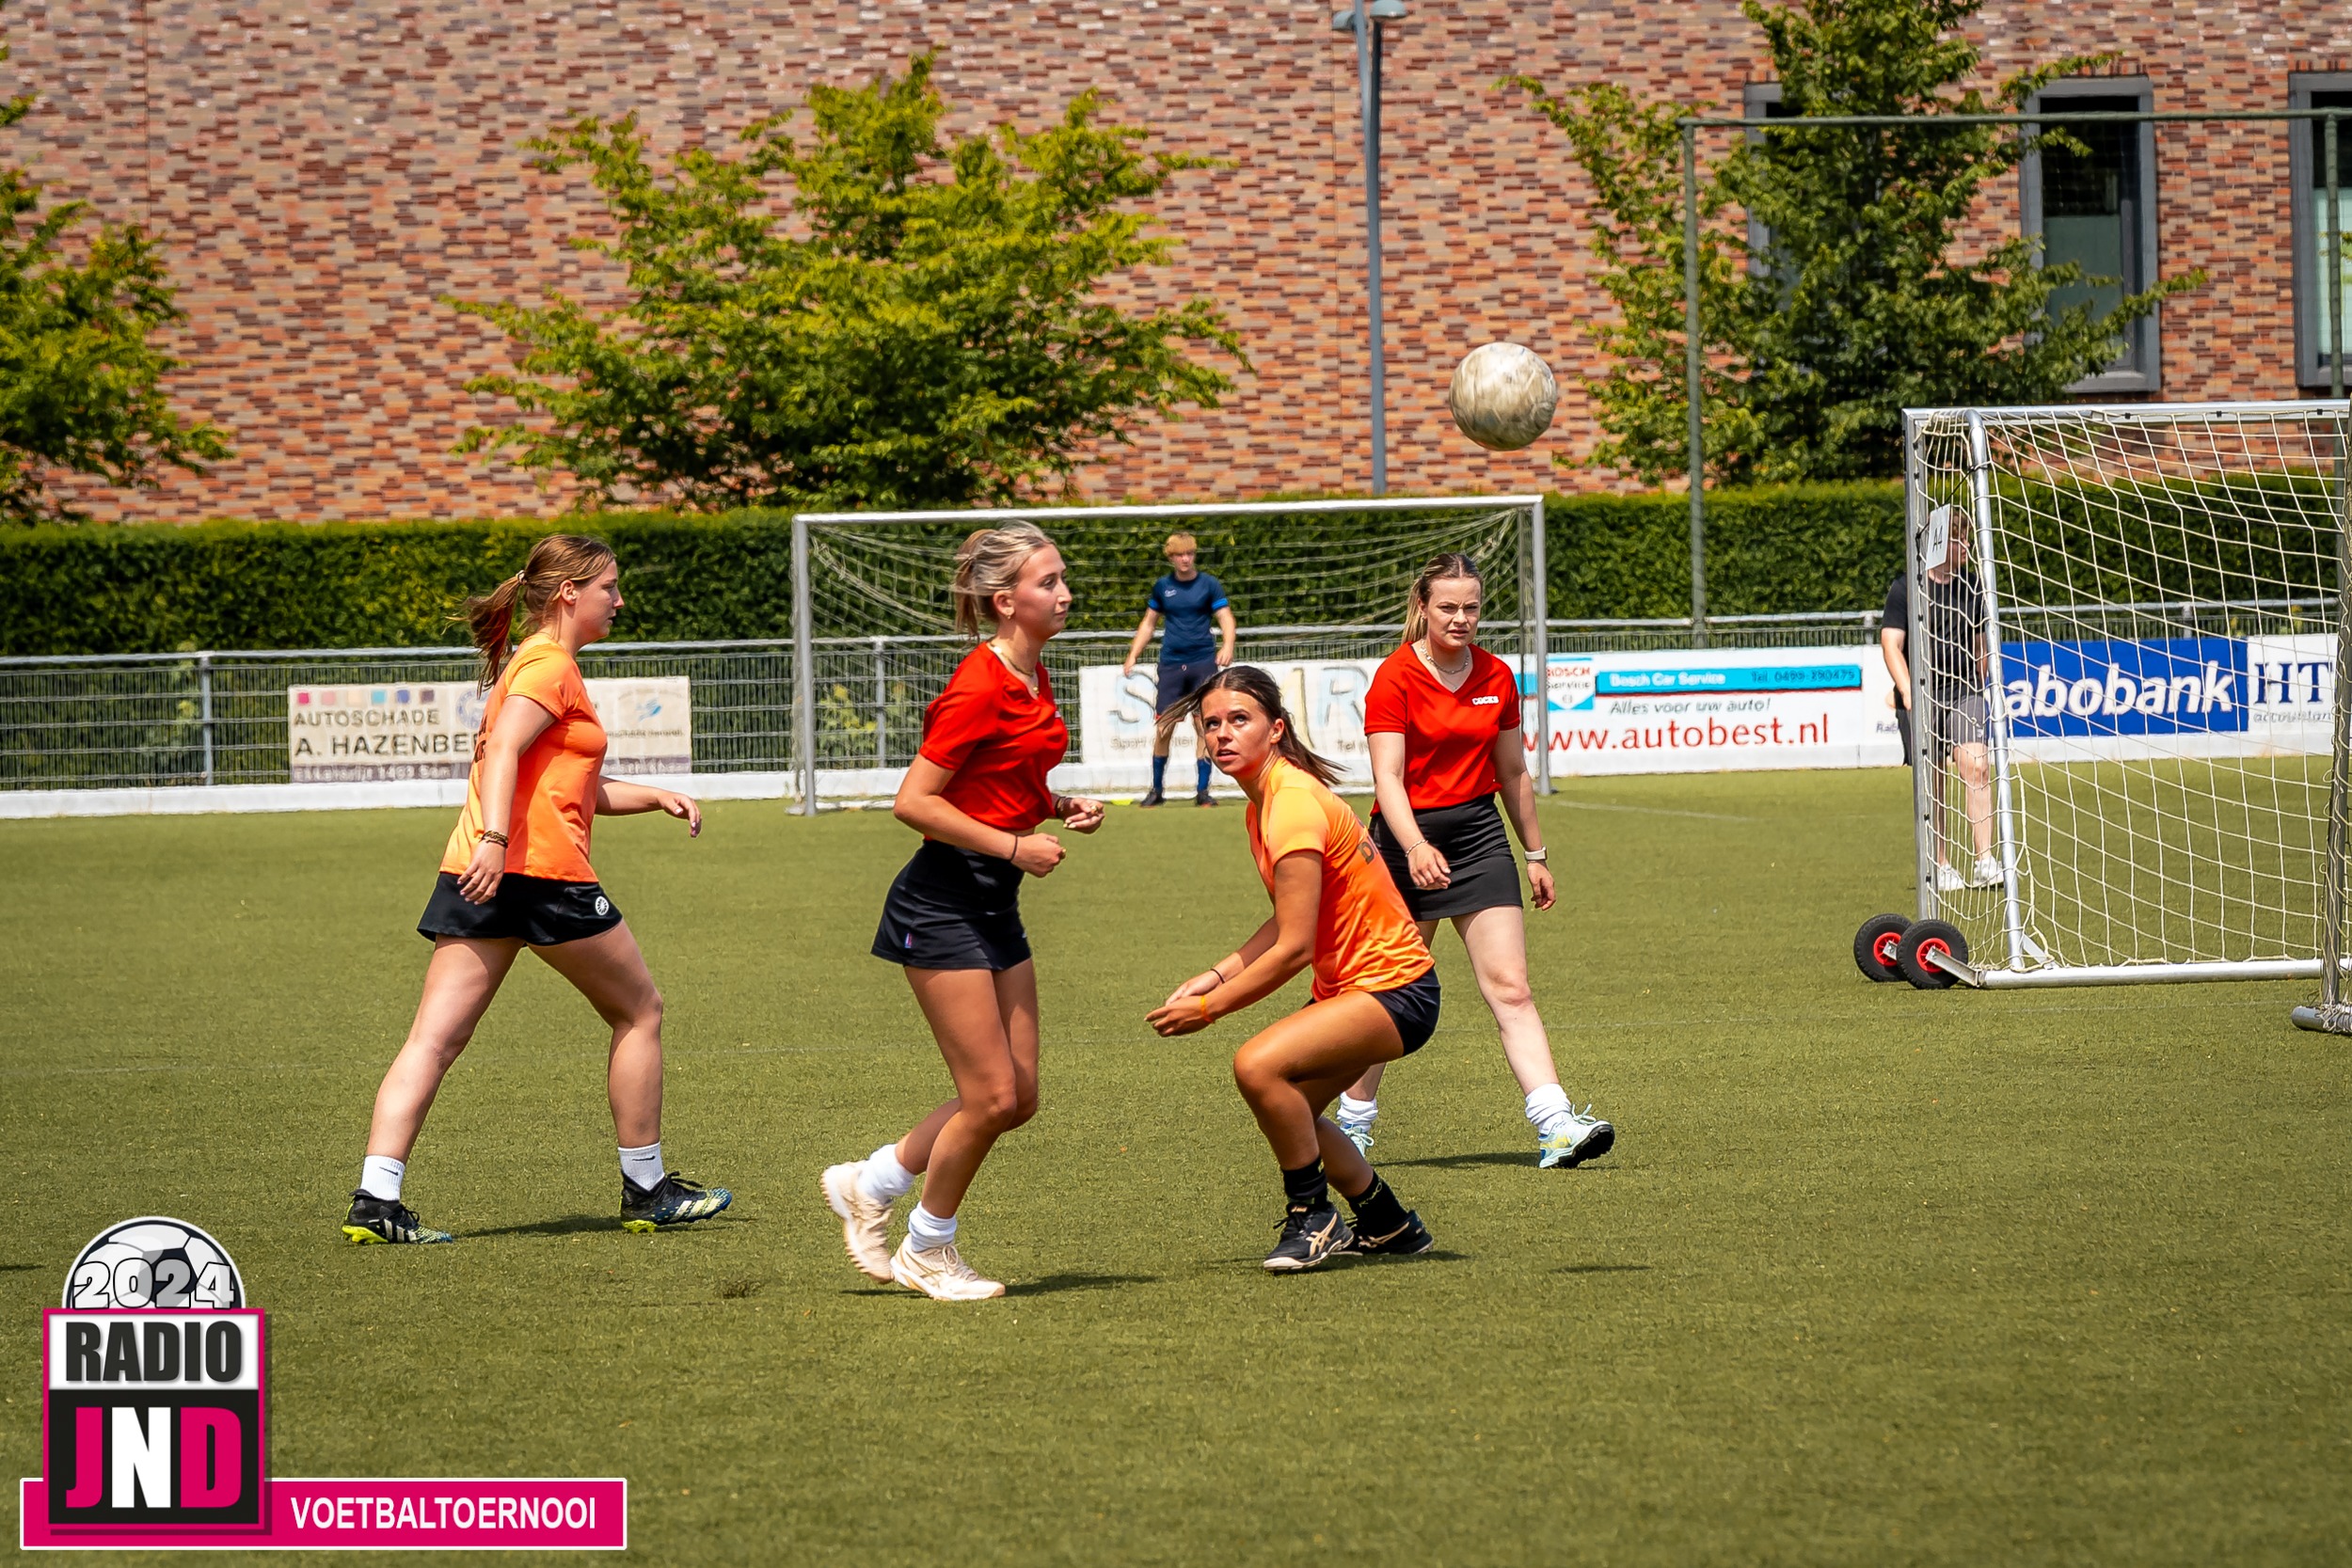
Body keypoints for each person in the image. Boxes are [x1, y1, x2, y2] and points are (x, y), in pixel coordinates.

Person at [342, 534, 730, 1245]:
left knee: (432, 1041)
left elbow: (568, 787)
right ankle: (648, 1189)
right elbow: (505, 752)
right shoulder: (549, 665)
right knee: (640, 1010)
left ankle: (376, 1200)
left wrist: (656, 796)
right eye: (609, 586)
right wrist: (496, 839)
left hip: (480, 874)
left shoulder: (533, 663)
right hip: (538, 875)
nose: (620, 600)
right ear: (569, 593)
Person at [819, 524, 1106, 1301]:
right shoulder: (979, 683)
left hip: (992, 901)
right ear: (1005, 600)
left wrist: (1059, 805)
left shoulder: (1034, 673)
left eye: (1062, 578)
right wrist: (1015, 847)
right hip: (941, 902)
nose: (1065, 593)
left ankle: (871, 1182)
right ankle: (927, 1249)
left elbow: (1003, 779)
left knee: (1018, 1096)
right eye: (1049, 582)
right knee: (990, 1096)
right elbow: (913, 800)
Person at [1147, 666, 1439, 1274]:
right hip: (1359, 990)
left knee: (1257, 1066)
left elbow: (1294, 947)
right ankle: (1387, 1222)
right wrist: (1216, 974)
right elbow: (1286, 918)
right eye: (1212, 724)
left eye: (1240, 719)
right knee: (1292, 1109)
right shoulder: (1266, 803)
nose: (1222, 734)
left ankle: (1313, 1215)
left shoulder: (1292, 803)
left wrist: (1209, 1009)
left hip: (1396, 991)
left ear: (1276, 728)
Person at [1331, 553, 1614, 1171]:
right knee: (1388, 993)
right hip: (1404, 843)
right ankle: (1350, 1129)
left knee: (1511, 986)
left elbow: (1512, 772)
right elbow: (1387, 778)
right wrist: (1414, 847)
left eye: (1471, 607)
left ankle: (1556, 1125)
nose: (1460, 618)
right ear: (1423, 607)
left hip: (1479, 837)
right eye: (1448, 607)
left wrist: (1535, 854)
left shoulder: (1497, 675)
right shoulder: (1394, 677)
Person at [1882, 524, 1995, 891]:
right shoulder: (1906, 588)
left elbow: (1980, 643)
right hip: (1922, 694)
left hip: (1964, 690)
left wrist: (1977, 682)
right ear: (1938, 543)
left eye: (1967, 538)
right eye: (1958, 539)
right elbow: (1891, 645)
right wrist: (1907, 691)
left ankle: (1985, 861)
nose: (1966, 545)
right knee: (1933, 780)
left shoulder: (1972, 586)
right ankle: (1940, 864)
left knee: (1977, 765)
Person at [1120, 531, 1237, 807]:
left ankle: (1203, 791)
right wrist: (1133, 654)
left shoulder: (1209, 584)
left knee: (1203, 725)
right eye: (1180, 554)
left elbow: (1225, 618)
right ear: (1171, 557)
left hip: (1202, 662)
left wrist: (1228, 645)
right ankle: (1157, 791)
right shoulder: (1163, 587)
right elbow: (1148, 623)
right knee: (1164, 726)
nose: (1185, 559)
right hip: (1172, 663)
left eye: (1190, 554)